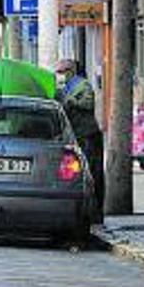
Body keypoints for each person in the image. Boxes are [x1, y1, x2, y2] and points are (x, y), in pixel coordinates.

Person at [56, 59, 104, 223]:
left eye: (62, 72)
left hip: (88, 135)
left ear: (71, 71)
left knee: (93, 173)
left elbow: (88, 103)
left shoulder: (82, 85)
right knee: (78, 174)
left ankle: (96, 213)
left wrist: (71, 101)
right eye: (58, 72)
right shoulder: (63, 89)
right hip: (75, 136)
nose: (60, 75)